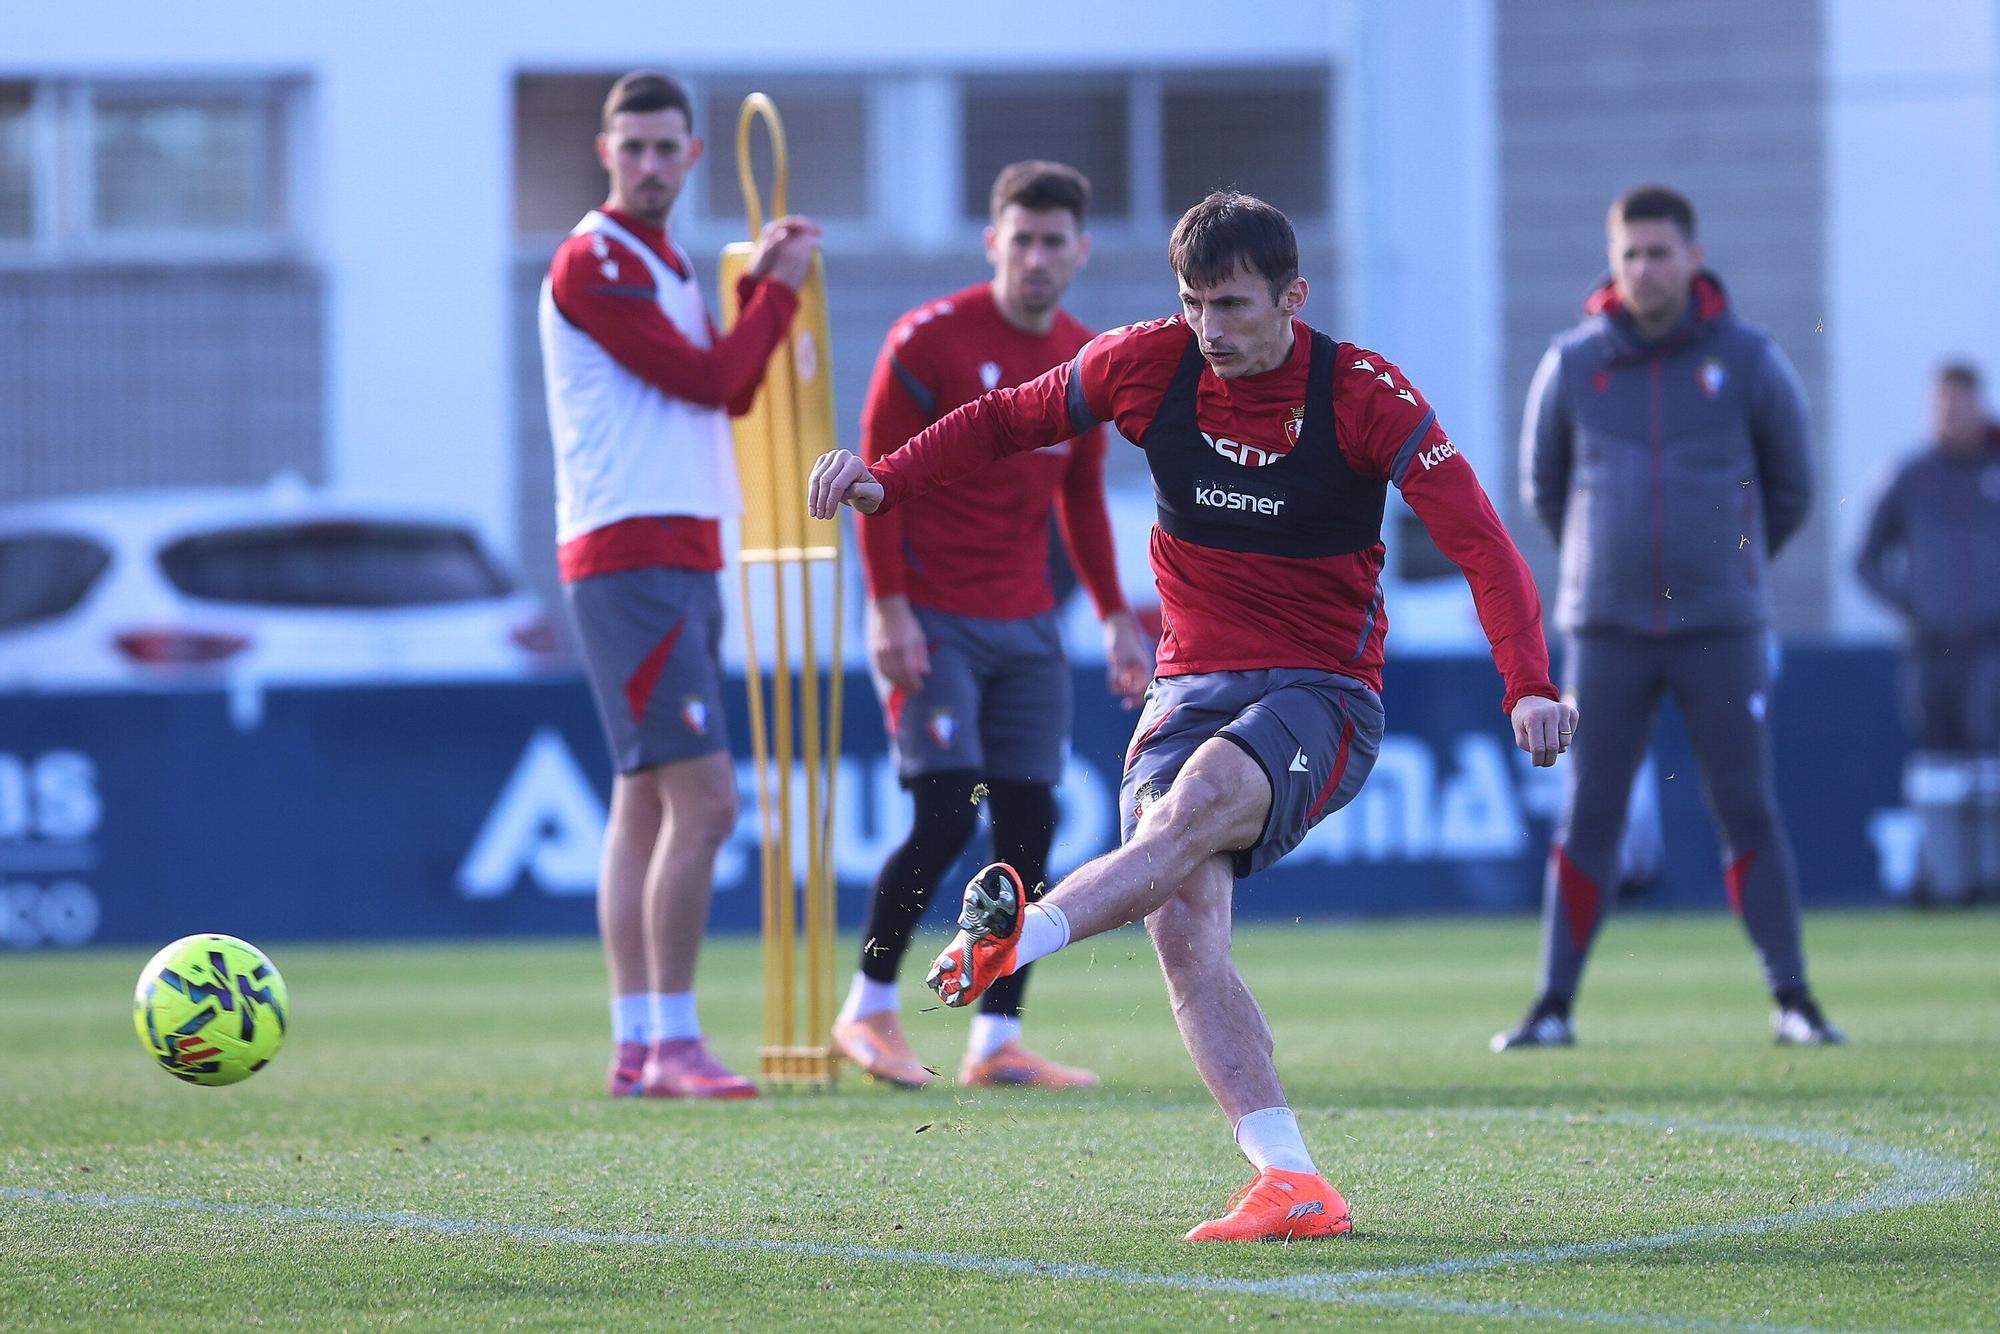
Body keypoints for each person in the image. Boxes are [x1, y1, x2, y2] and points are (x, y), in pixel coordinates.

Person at [809, 191, 1575, 1242]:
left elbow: (1482, 540)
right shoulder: (1142, 361)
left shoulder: (1362, 393)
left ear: (1291, 298)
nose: (1208, 327)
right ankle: (1290, 1178)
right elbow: (1005, 420)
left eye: (1230, 303)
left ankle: (1016, 937)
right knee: (1180, 921)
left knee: (1197, 802)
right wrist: (884, 480)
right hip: (1184, 685)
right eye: (1190, 301)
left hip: (1320, 690)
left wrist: (1526, 680)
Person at [1496, 184, 1841, 1052]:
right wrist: (1601, 567)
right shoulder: (1573, 363)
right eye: (1630, 256)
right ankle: (1553, 1006)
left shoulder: (1752, 360)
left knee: (1746, 808)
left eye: (1659, 253)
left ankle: (1793, 999)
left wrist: (1727, 567)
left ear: (1693, 256)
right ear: (1612, 265)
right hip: (1606, 631)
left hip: (1721, 630)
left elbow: (1792, 488)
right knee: (1589, 817)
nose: (1645, 270)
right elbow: (1544, 490)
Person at [831, 162, 1151, 1090]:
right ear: (993, 242)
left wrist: (1114, 617)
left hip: (1030, 627)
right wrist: (885, 607)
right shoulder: (927, 340)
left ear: (1080, 251)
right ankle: (868, 1011)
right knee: (942, 810)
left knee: (1029, 831)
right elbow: (875, 482)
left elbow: (1082, 502)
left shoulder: (1086, 356)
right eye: (1024, 239)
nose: (1039, 257)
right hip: (932, 618)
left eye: (1056, 242)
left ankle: (995, 1041)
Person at [539, 70, 821, 1098]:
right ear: (604, 148)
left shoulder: (660, 258)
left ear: (695, 154)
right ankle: (669, 1040)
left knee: (645, 808)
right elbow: (714, 382)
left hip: (680, 547)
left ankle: (637, 1042)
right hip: (630, 553)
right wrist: (777, 286)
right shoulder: (594, 258)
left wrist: (758, 292)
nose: (651, 164)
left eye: (668, 148)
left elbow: (718, 387)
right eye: (634, 146)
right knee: (703, 804)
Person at [1856, 363, 2000, 901]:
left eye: (1962, 404)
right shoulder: (1909, 477)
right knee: (1938, 763)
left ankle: (1991, 880)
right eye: (1944, 405)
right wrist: (1912, 606)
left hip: (1993, 645)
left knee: (1991, 761)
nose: (1953, 416)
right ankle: (1947, 880)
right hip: (1932, 648)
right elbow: (1865, 560)